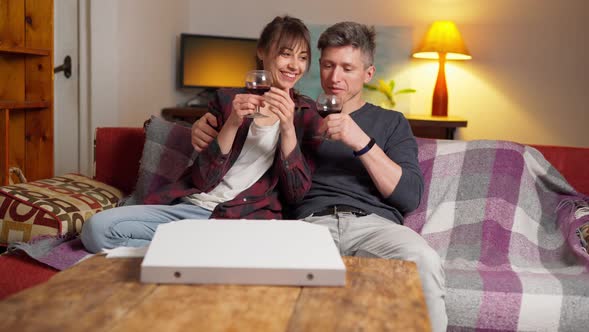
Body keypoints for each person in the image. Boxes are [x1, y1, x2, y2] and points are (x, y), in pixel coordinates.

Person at [191, 22, 447, 331]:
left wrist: (361, 142)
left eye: (347, 68)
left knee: (424, 259)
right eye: (328, 65)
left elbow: (408, 196)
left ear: (368, 74)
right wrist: (206, 125)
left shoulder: (391, 122)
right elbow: (247, 146)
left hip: (374, 226)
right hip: (308, 225)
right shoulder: (299, 115)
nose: (335, 77)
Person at [81, 15, 321, 254]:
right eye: (286, 54)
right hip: (193, 208)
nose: (294, 66)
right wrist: (232, 122)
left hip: (243, 218)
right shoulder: (227, 100)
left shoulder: (306, 114)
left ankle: (179, 252)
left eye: (302, 58)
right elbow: (203, 179)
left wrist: (288, 127)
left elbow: (296, 193)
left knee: (247, 247)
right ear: (261, 51)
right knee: (96, 229)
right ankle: (192, 252)